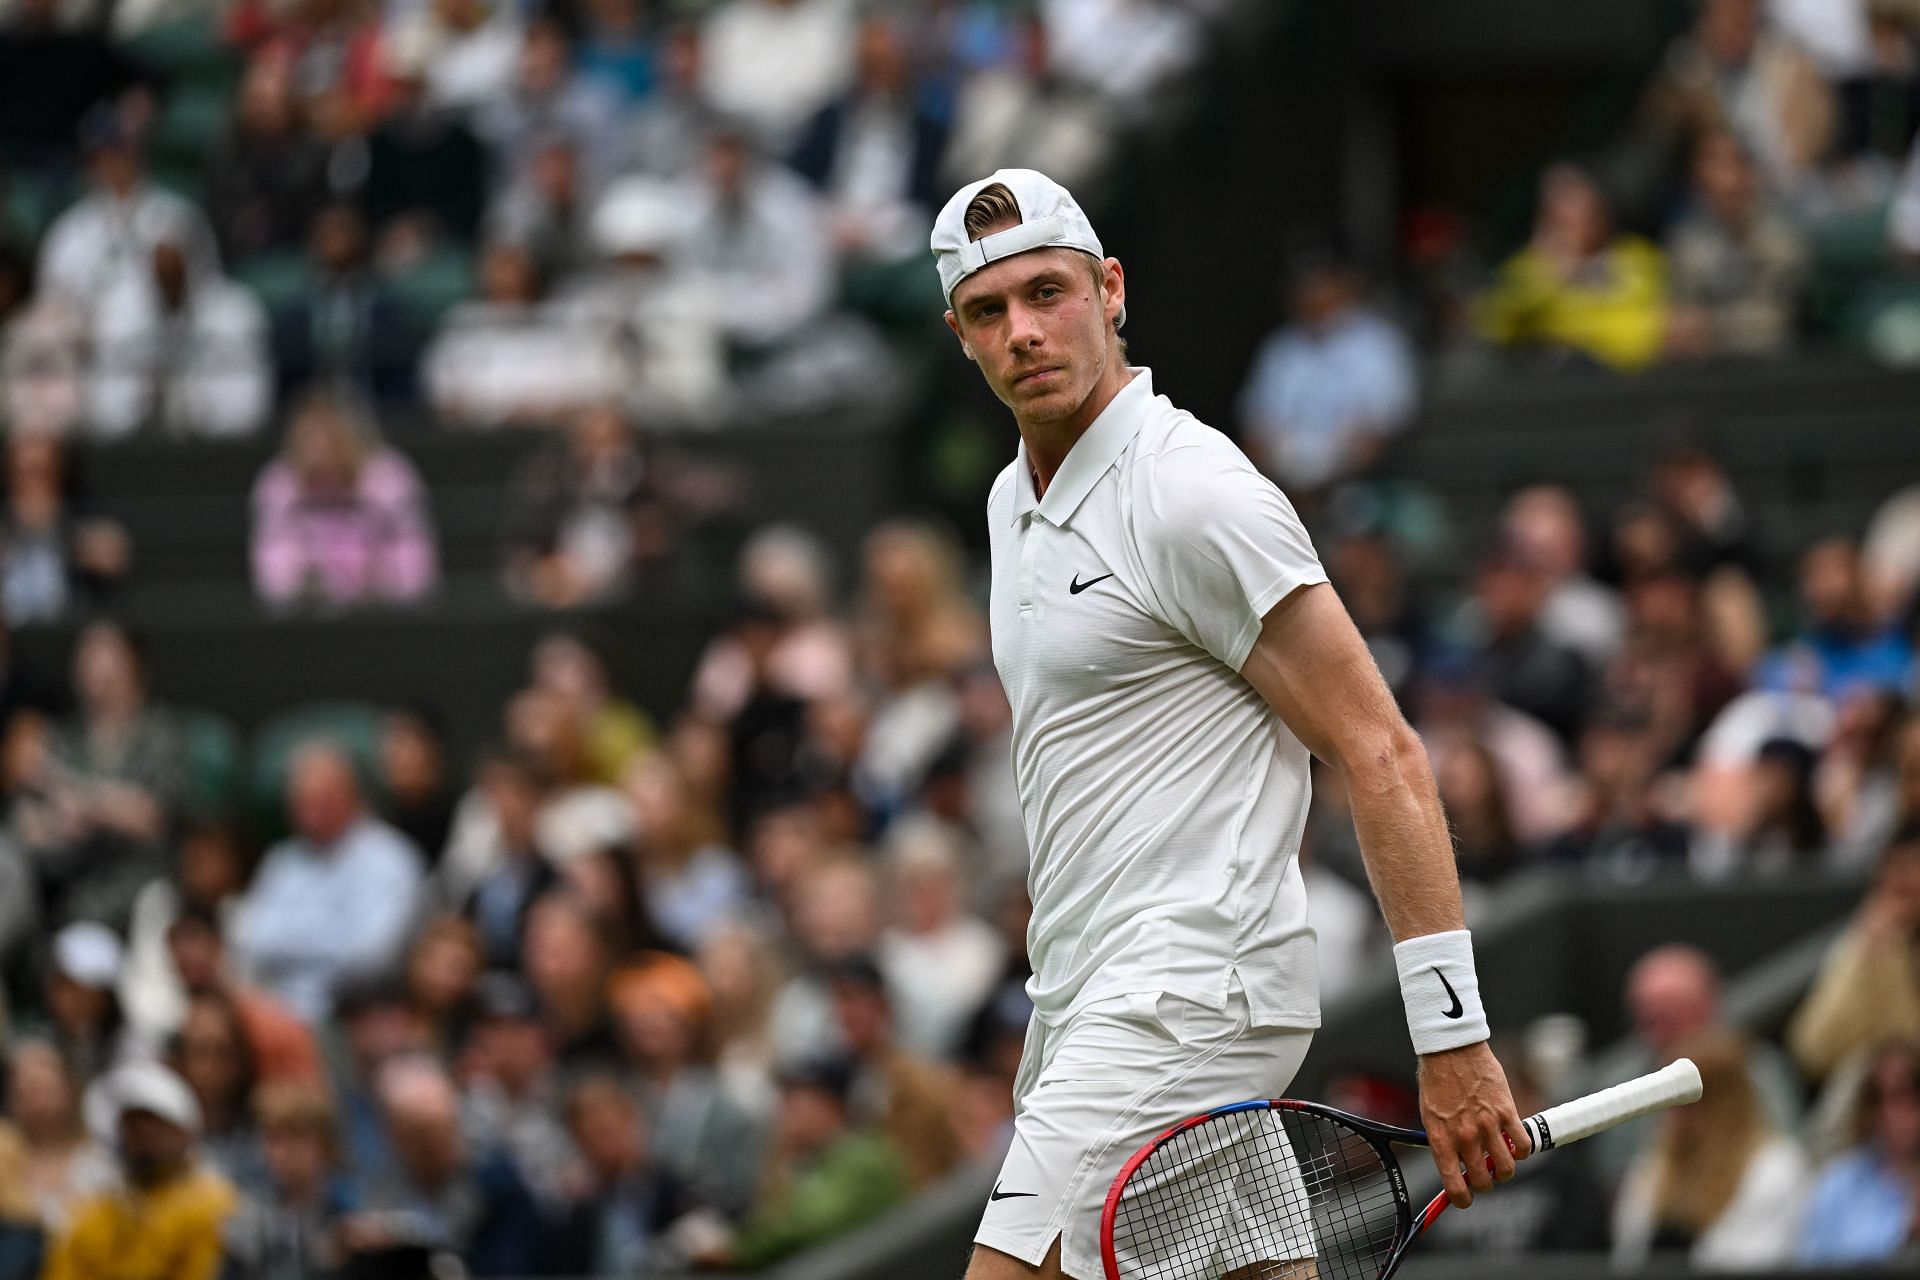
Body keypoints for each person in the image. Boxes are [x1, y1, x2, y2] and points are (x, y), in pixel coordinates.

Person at [930, 168, 1531, 1280]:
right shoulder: (1010, 502)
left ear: (1111, 291)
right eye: (989, 310)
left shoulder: (1191, 492)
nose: (1024, 331)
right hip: (1089, 989)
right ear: (959, 333)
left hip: (1187, 992)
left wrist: (1452, 1037)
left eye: (1049, 292)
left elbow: (1382, 748)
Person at [231, 743, 427, 1021]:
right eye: (301, 803)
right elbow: (250, 940)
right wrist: (332, 934)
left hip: (358, 1016)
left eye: (322, 801)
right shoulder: (282, 860)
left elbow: (371, 958)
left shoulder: (390, 858)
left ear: (352, 795)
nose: (310, 814)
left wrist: (288, 941)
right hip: (278, 1012)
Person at [1610, 1031, 1809, 1269]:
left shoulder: (1776, 1168)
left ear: (1726, 1102)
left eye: (1686, 1106)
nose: (1674, 1119)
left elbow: (1761, 1261)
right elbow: (1627, 1257)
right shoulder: (1651, 1170)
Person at [1235, 250, 1417, 496]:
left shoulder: (1379, 343)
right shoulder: (1279, 348)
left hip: (1364, 484)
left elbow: (1385, 429)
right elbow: (1255, 432)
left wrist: (1330, 471)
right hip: (1286, 487)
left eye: (1321, 283)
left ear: (1345, 285)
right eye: (1305, 286)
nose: (1313, 293)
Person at [344, 1056, 545, 1278]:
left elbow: (509, 1267)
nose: (428, 1146)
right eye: (414, 1133)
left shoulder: (498, 1187)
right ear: (392, 1135)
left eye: (436, 1130)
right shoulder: (381, 1186)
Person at [43, 1062, 237, 1280]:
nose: (142, 1135)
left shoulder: (213, 1204)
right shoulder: (93, 1214)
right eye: (132, 1125)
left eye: (154, 1123)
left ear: (183, 1131)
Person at [249, 392, 441, 609]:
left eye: (330, 436)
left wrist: (381, 583)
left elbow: (415, 557)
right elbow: (272, 568)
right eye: (310, 439)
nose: (319, 449)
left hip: (384, 618)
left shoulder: (388, 476)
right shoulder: (280, 483)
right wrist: (308, 586)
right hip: (306, 621)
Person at [1476, 163, 1669, 371]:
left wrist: (1565, 330)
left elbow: (1647, 333)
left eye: (1582, 207)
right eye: (1559, 212)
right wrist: (1551, 276)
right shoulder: (1528, 268)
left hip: (1628, 383)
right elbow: (1492, 325)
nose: (1572, 220)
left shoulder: (1637, 257)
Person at [1663, 130, 1808, 358]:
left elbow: (1777, 321)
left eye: (1735, 162)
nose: (1726, 178)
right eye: (1712, 163)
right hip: (1705, 371)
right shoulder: (1688, 238)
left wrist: (1713, 328)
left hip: (1774, 368)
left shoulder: (1781, 235)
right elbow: (1681, 306)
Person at [1788, 832, 1920, 1081]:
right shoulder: (1867, 943)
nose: (1907, 881)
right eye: (1898, 868)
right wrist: (1867, 952)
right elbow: (1813, 1048)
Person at [1799, 1038, 1920, 1264]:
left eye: (1909, 1093)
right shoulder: (1838, 1185)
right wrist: (1903, 1237)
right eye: (1878, 1098)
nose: (1894, 1113)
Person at [221, 1082, 355, 1280]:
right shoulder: (247, 1215)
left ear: (326, 1145)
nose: (284, 1152)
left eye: (297, 1138)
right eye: (274, 1139)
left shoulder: (347, 1212)